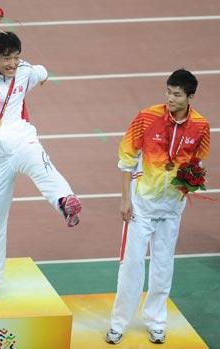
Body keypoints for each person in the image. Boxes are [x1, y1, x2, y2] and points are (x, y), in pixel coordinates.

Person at [0, 24, 82, 304]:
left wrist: (44, 75)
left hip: (22, 142)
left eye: (16, 57)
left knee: (42, 164)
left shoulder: (25, 71)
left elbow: (41, 72)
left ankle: (65, 201)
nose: (12, 63)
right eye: (6, 58)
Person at [105, 69, 210, 344]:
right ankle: (118, 323)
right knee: (131, 266)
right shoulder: (147, 117)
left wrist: (190, 182)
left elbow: (197, 162)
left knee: (163, 267)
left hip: (171, 208)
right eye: (168, 91)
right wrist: (125, 198)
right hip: (141, 206)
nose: (170, 98)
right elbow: (126, 157)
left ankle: (156, 323)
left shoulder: (201, 126)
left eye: (177, 94)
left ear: (190, 97)